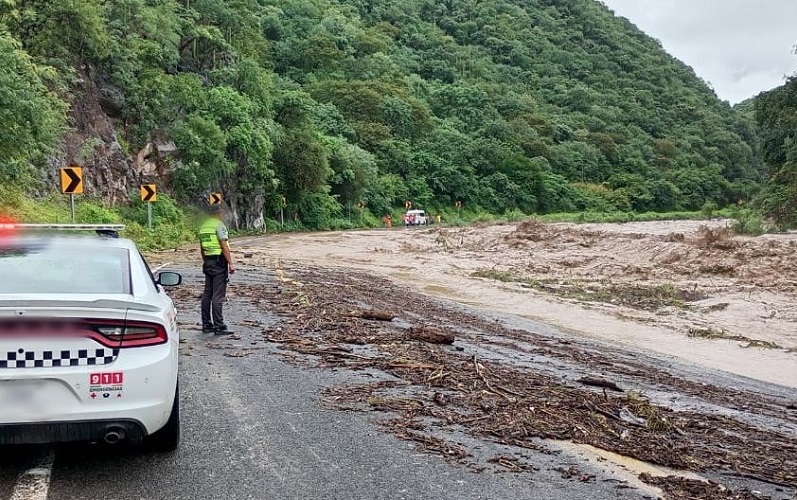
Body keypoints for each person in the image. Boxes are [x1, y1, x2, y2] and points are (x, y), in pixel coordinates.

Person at [199, 204, 235, 334]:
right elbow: (224, 246)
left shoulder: (204, 227)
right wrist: (230, 263)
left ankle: (206, 324)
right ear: (218, 213)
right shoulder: (219, 225)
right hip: (219, 262)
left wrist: (206, 261)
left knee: (207, 295)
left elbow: (202, 248)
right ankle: (219, 326)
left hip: (208, 261)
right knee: (218, 296)